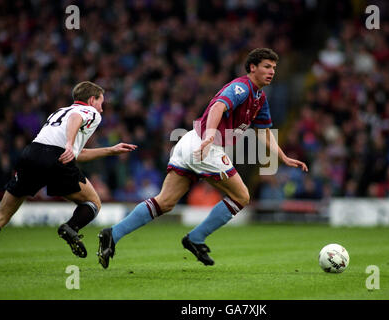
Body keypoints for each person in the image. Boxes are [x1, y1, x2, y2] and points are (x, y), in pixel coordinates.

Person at [97, 48, 308, 268]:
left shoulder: (259, 98)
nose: (272, 71)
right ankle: (195, 238)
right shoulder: (241, 87)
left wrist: (282, 156)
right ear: (252, 67)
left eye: (274, 67)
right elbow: (218, 106)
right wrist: (209, 136)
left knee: (165, 201)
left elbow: (264, 131)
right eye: (267, 66)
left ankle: (112, 234)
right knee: (242, 196)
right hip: (207, 145)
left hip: (190, 141)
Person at [0, 81, 137, 258]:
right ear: (92, 99)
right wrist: (70, 144)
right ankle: (70, 228)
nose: (101, 109)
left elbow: (76, 153)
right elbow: (75, 121)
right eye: (101, 103)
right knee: (93, 202)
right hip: (56, 158)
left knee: (2, 216)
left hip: (31, 154)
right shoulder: (90, 111)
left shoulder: (59, 111)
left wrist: (111, 150)